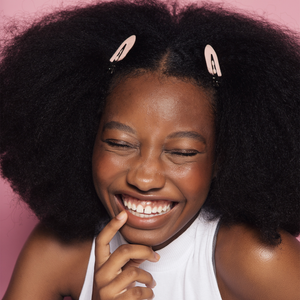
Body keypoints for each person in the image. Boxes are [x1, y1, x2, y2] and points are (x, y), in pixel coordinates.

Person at [0, 0, 299, 299]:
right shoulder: (56, 249)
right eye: (120, 144)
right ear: (86, 138)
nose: (144, 179)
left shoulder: (258, 259)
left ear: (221, 158)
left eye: (182, 152)